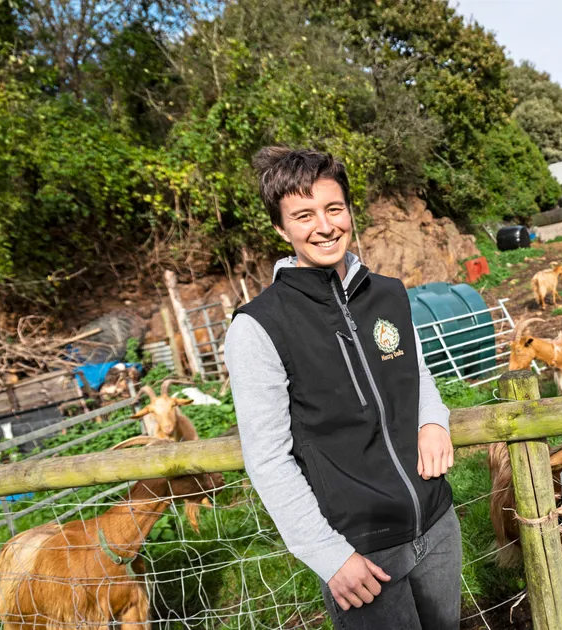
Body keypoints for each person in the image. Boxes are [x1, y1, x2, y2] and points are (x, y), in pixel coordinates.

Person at [224, 147, 461, 629]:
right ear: (280, 228)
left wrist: (433, 418)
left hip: (437, 522)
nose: (325, 226)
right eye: (304, 215)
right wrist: (328, 555)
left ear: (349, 211)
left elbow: (416, 373)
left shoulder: (389, 293)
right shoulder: (258, 328)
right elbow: (267, 457)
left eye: (334, 209)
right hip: (360, 553)